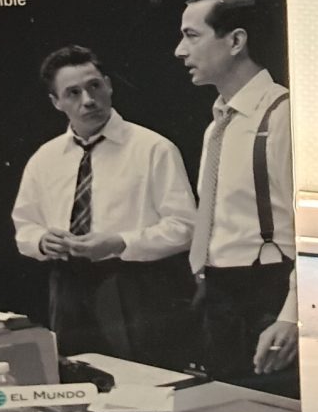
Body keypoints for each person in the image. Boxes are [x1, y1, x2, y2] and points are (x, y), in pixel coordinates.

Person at [12, 45, 196, 363]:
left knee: (145, 377)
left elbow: (185, 227)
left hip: (134, 285)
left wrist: (119, 242)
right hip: (67, 287)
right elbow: (25, 226)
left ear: (109, 85)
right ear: (56, 102)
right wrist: (41, 241)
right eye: (73, 93)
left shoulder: (154, 148)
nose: (88, 100)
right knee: (77, 372)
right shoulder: (45, 158)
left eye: (94, 86)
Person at [175, 0, 298, 393]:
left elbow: (317, 233)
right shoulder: (217, 127)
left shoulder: (283, 118)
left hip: (267, 303)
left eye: (192, 36)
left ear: (235, 41)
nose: (180, 50)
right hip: (217, 300)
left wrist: (293, 315)